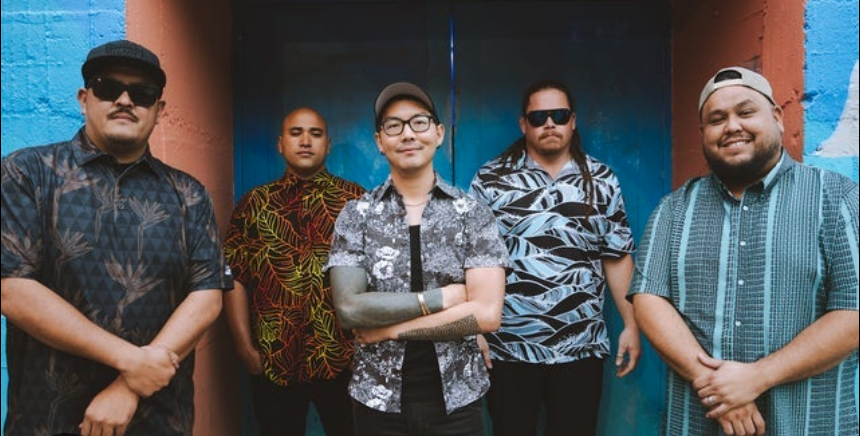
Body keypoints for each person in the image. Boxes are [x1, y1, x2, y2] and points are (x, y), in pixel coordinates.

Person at [0, 39, 232, 436]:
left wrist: (128, 387)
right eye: (109, 88)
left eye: (142, 94)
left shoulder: (188, 193)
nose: (125, 100)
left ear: (159, 110)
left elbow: (206, 295)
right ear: (84, 98)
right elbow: (13, 288)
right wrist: (132, 362)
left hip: (159, 418)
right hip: (49, 418)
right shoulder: (28, 173)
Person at [629, 66, 859, 436]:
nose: (732, 126)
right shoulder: (673, 210)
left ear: (778, 118)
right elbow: (649, 299)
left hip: (809, 423)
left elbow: (854, 312)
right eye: (716, 119)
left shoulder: (836, 199)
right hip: (698, 423)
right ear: (703, 134)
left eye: (746, 111)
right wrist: (717, 386)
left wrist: (757, 377)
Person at [324, 81, 509, 436]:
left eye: (419, 122)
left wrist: (389, 330)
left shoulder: (472, 214)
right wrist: (442, 298)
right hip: (376, 399)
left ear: (439, 134)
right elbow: (350, 309)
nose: (407, 134)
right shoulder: (356, 215)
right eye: (393, 126)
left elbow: (486, 314)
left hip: (457, 397)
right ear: (380, 141)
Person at [468, 78, 641, 436]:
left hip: (581, 347)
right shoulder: (491, 179)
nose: (550, 124)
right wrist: (474, 330)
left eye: (559, 115)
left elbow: (617, 256)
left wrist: (632, 323)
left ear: (573, 121)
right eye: (539, 117)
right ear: (523, 124)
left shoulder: (601, 179)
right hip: (508, 348)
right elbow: (472, 261)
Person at [222, 107, 365, 436]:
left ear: (327, 145)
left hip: (342, 360)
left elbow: (378, 276)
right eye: (296, 132)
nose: (305, 141)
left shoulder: (356, 201)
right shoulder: (254, 204)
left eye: (315, 134)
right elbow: (234, 278)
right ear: (280, 144)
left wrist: (364, 345)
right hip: (273, 361)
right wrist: (244, 348)